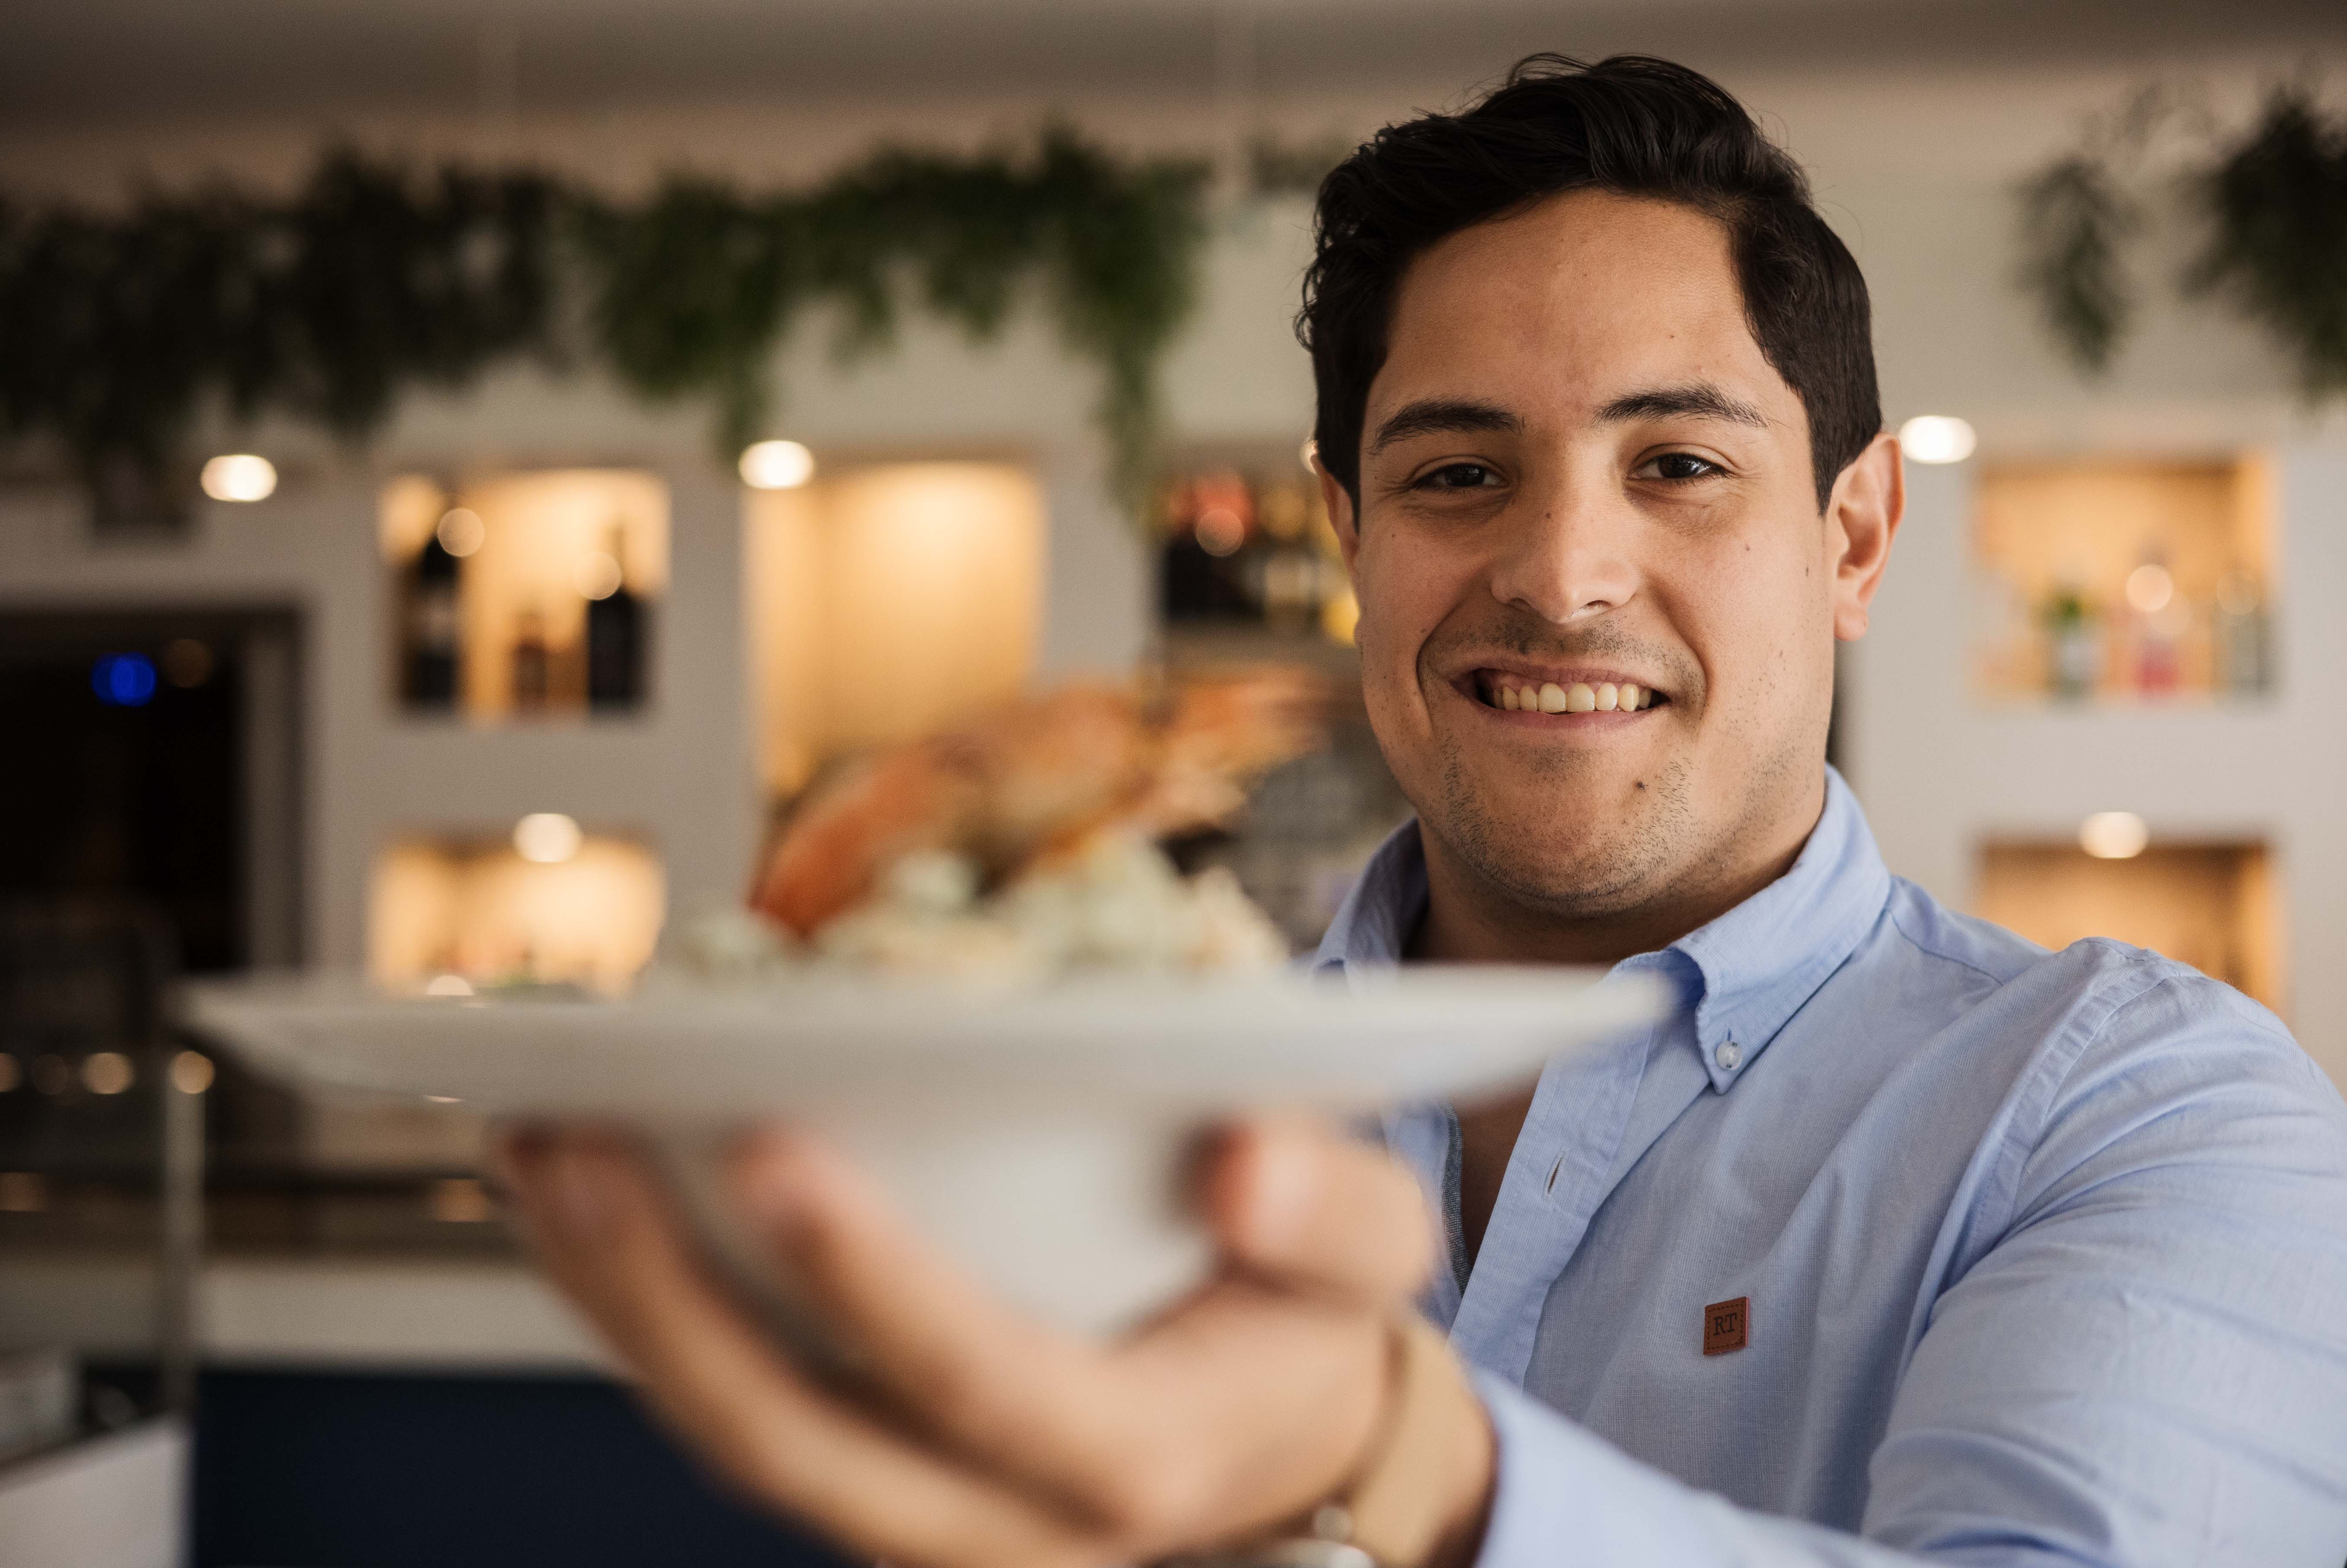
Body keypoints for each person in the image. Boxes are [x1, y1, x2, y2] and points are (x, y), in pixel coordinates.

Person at [497, 54, 2347, 1568]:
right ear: (1347, 538)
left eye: (1680, 465)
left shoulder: (2137, 1102)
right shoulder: (1114, 1096)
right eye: (1459, 471)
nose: (1560, 573)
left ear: (1851, 537)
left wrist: (1409, 1459)